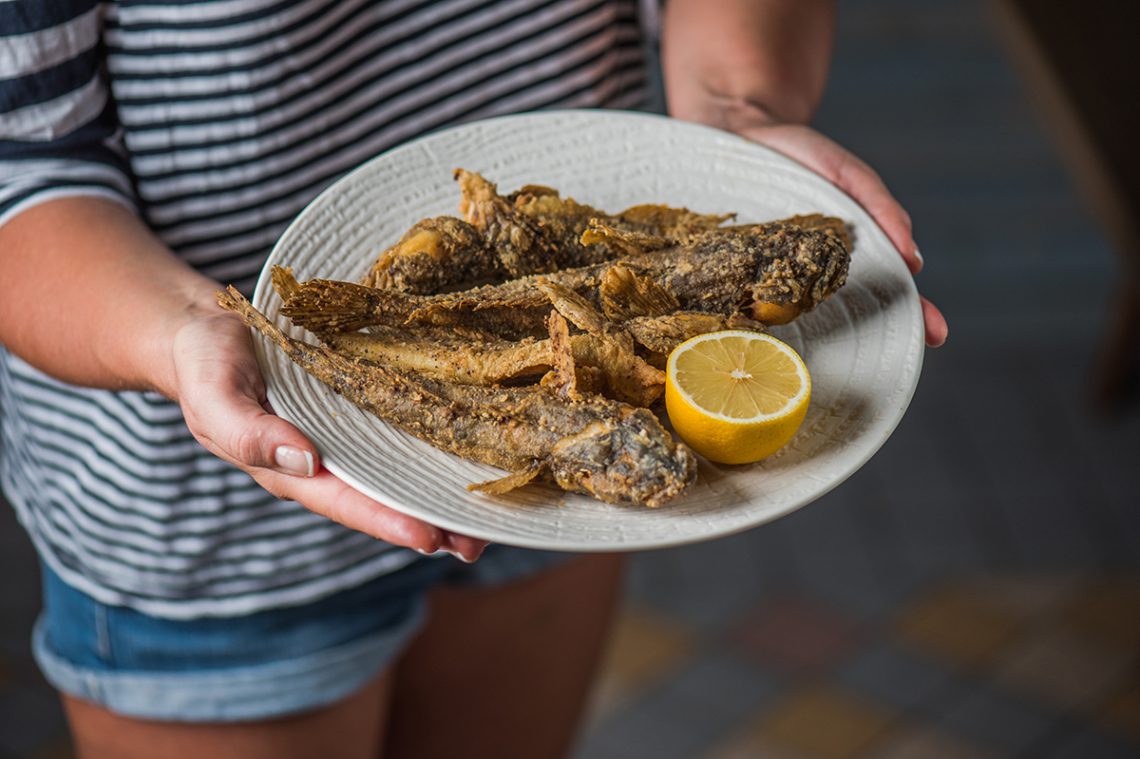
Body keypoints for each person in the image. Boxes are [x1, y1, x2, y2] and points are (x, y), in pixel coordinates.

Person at [0, 0, 948, 756]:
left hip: (536, 527)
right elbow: (24, 171)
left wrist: (741, 115)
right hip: (207, 533)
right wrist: (185, 337)